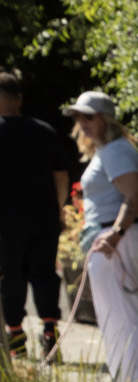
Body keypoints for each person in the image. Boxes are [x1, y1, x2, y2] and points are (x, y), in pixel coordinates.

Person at [65, 90, 138, 382]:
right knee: (120, 312)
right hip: (115, 240)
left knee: (120, 314)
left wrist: (114, 233)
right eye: (78, 116)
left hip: (116, 242)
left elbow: (134, 196)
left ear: (105, 119)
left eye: (88, 116)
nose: (81, 123)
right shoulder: (111, 150)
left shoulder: (115, 151)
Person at [0, 70, 72, 361]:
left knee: (10, 279)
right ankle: (50, 338)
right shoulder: (44, 131)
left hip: (5, 225)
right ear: (19, 98)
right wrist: (57, 208)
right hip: (43, 220)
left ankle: (16, 343)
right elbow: (61, 178)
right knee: (45, 276)